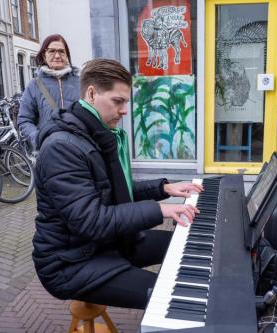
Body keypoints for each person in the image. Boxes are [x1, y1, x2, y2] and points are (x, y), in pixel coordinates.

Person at [32, 59, 203, 309]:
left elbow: (113, 188)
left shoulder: (94, 132)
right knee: (169, 299)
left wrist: (164, 189)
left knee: (185, 248)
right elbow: (91, 221)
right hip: (70, 264)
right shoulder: (62, 148)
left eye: (126, 102)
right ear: (91, 93)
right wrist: (160, 210)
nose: (125, 110)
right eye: (118, 101)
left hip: (107, 243)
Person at [17, 34, 79, 151]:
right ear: (44, 55)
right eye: (51, 51)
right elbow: (24, 120)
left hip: (78, 148)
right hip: (49, 150)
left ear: (67, 56)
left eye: (61, 51)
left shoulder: (80, 82)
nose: (57, 56)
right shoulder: (34, 85)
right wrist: (38, 138)